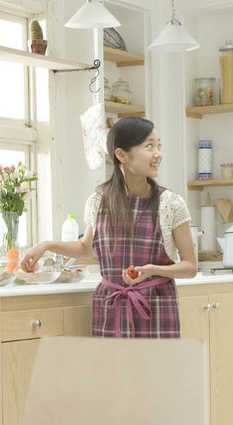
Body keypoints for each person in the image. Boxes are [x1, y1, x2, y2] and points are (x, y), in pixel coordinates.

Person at [20, 117, 196, 338]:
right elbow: (86, 248)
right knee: (111, 372)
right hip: (111, 307)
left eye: (158, 146)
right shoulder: (99, 201)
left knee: (155, 373)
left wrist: (152, 270)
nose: (158, 153)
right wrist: (46, 245)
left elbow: (190, 267)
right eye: (149, 146)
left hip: (157, 308)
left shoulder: (171, 203)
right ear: (121, 155)